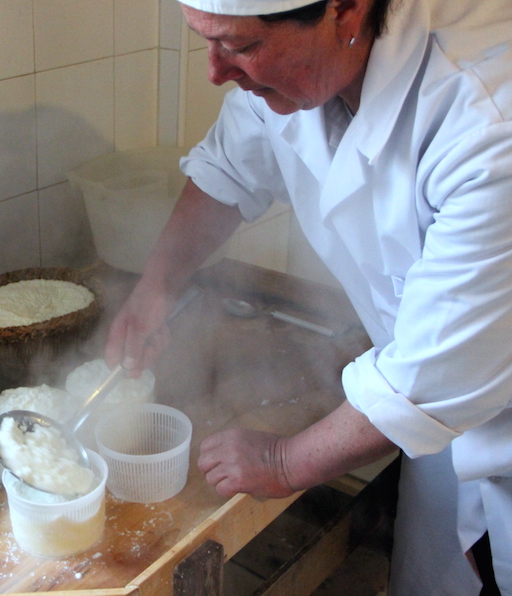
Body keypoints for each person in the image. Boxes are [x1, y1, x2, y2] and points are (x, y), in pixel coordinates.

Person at [103, 0, 512, 594]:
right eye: (208, 42)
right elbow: (228, 172)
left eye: (240, 46)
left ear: (347, 12)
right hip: (441, 425)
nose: (216, 72)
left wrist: (281, 462)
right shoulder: (299, 69)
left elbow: (434, 375)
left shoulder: (486, 118)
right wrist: (154, 288)